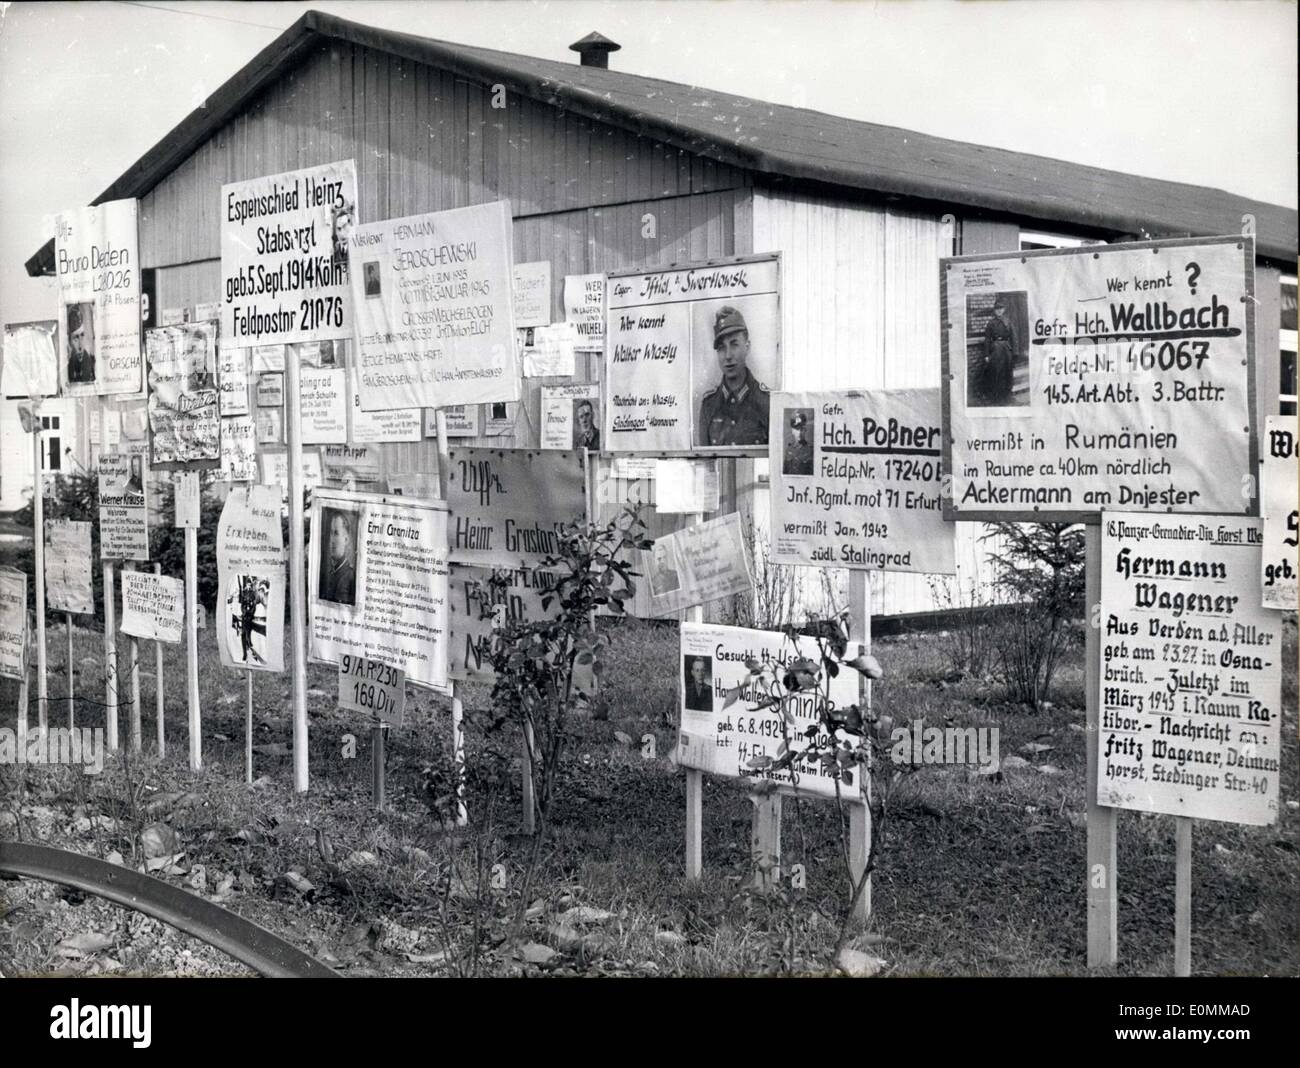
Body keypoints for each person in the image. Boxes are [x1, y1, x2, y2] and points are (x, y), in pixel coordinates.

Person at [698, 306, 770, 446]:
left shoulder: (767, 402)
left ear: (747, 347)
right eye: (721, 348)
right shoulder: (709, 405)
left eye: (734, 344)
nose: (728, 356)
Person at [980, 296, 1018, 405]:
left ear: (1004, 310)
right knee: (996, 372)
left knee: (1007, 371)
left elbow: (1014, 338)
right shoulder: (991, 323)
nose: (999, 311)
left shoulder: (1008, 322)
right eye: (997, 309)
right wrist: (986, 354)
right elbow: (987, 339)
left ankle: (1007, 395)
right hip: (995, 349)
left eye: (1001, 309)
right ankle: (996, 396)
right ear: (994, 311)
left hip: (1006, 349)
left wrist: (1015, 352)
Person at [319, 511, 357, 606]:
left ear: (346, 539)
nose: (331, 540)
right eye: (331, 533)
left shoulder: (351, 577)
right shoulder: (331, 573)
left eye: (336, 533)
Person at [66, 303, 95, 384]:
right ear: (69, 341)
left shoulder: (93, 364)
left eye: (82, 335)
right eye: (76, 338)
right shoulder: (66, 370)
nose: (80, 346)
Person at [783, 410, 814, 475]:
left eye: (802, 429)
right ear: (792, 431)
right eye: (797, 429)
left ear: (805, 430)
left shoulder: (810, 451)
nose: (800, 432)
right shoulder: (788, 451)